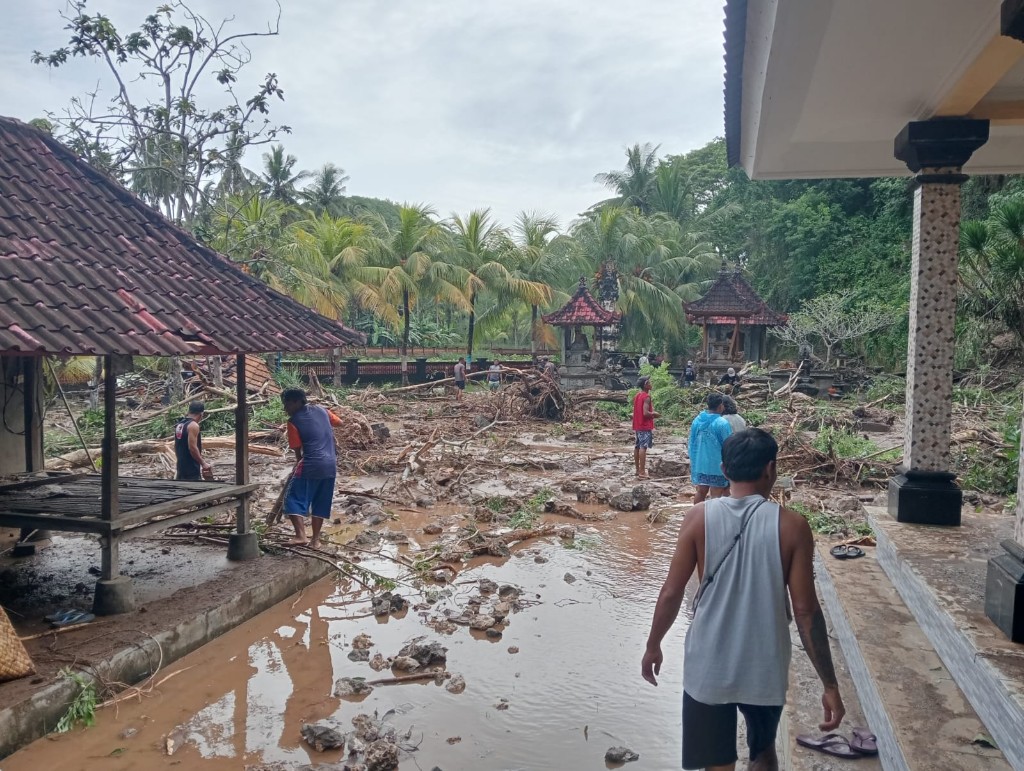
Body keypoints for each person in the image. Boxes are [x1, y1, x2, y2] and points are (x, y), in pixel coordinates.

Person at [642, 428, 845, 770]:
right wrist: (829, 684)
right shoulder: (793, 526)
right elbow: (806, 611)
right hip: (764, 665)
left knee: (716, 762)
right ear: (771, 469)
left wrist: (653, 645)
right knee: (763, 751)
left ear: (724, 470)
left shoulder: (697, 518)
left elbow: (671, 592)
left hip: (708, 664)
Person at [281, 388, 343, 548]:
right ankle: (315, 540)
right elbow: (340, 422)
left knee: (292, 498)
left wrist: (297, 465)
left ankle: (301, 536)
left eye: (286, 404)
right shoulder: (323, 410)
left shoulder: (293, 421)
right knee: (320, 502)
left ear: (296, 402)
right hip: (330, 465)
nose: (285, 408)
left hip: (311, 464)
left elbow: (297, 451)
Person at [688, 393, 733, 503]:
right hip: (717, 466)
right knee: (716, 495)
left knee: (700, 492)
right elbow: (729, 444)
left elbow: (692, 442)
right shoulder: (722, 423)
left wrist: (693, 460)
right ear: (720, 405)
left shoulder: (697, 420)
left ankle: (697, 518)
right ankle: (714, 519)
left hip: (700, 464)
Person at [174, 401, 211, 481]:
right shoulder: (193, 426)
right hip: (191, 467)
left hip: (181, 466)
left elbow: (177, 445)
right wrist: (203, 463)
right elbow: (192, 447)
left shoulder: (179, 424)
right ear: (201, 414)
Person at [632, 376, 659, 479]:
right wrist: (654, 414)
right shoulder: (646, 397)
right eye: (650, 382)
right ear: (646, 385)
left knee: (637, 446)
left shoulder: (638, 395)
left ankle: (637, 470)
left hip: (638, 425)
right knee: (643, 447)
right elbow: (645, 413)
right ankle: (642, 472)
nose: (651, 384)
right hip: (644, 425)